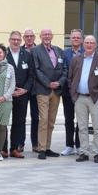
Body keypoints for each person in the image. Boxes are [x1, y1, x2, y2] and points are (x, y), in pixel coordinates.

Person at [68, 35, 98, 163]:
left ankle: (97, 152)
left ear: (96, 44)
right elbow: (70, 78)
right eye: (87, 42)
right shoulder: (76, 59)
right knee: (82, 127)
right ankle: (84, 152)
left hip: (95, 98)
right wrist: (73, 92)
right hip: (80, 97)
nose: (89, 45)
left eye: (91, 43)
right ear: (83, 44)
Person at [32, 29, 67, 160]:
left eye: (49, 34)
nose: (47, 36)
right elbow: (36, 70)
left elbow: (65, 69)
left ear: (52, 36)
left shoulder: (59, 50)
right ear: (40, 37)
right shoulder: (36, 51)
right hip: (43, 90)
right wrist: (48, 83)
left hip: (56, 91)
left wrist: (59, 82)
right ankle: (41, 148)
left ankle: (47, 147)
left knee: (51, 121)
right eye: (44, 34)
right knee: (44, 120)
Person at [6, 30, 33, 159]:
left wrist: (25, 89)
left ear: (21, 41)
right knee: (3, 122)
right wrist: (9, 91)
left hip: (22, 95)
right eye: (13, 39)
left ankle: (14, 148)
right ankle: (2, 148)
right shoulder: (2, 54)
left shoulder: (27, 55)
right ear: (9, 40)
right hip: (5, 95)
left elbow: (31, 75)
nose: (15, 42)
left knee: (18, 122)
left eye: (18, 40)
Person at [61, 29, 84, 156]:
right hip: (67, 92)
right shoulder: (64, 53)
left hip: (82, 92)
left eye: (78, 37)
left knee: (81, 120)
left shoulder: (87, 53)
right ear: (70, 40)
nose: (75, 39)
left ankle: (79, 145)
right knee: (68, 119)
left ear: (82, 40)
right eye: (73, 37)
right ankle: (69, 145)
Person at [22, 29, 40, 152]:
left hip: (37, 89)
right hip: (22, 89)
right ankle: (20, 143)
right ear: (24, 38)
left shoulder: (39, 50)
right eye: (27, 36)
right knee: (20, 117)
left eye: (31, 36)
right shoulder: (19, 50)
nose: (29, 38)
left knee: (36, 117)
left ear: (34, 37)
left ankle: (35, 143)